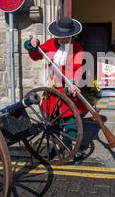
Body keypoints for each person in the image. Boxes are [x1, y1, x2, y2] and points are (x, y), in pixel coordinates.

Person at [24, 16, 87, 164]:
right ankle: (55, 145)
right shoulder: (51, 44)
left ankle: (74, 149)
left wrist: (73, 82)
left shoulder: (78, 48)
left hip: (68, 90)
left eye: (66, 37)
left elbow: (78, 69)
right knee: (52, 122)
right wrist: (32, 44)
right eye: (60, 37)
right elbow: (35, 55)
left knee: (70, 121)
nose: (63, 40)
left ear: (72, 35)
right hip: (52, 89)